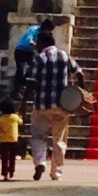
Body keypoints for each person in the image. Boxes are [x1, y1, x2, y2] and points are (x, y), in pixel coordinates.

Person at [24, 19, 87, 179]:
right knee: (59, 139)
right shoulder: (64, 55)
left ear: (43, 43)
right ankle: (56, 172)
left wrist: (23, 104)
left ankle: (40, 163)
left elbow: (31, 83)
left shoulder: (39, 59)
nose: (36, 46)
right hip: (62, 105)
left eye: (38, 43)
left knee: (38, 135)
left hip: (42, 105)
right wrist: (81, 93)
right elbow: (79, 73)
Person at [0, 101, 22, 180]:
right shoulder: (14, 117)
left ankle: (5, 174)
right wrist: (19, 115)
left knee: (4, 159)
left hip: (4, 141)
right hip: (13, 140)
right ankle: (11, 171)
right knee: (12, 158)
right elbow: (21, 122)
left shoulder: (1, 119)